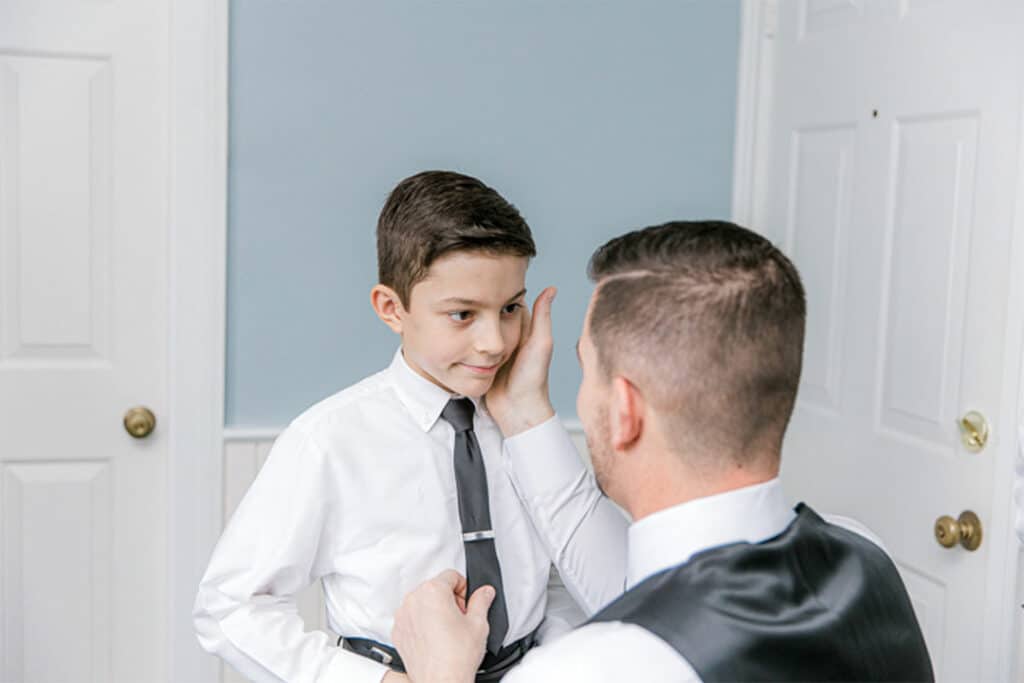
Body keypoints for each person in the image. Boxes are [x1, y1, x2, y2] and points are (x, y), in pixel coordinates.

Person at [391, 220, 935, 682]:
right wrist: (525, 415)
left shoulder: (588, 670)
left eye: (587, 367)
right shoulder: (866, 555)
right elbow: (643, 586)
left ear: (625, 410)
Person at [193, 171, 627, 683]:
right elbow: (231, 605)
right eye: (463, 314)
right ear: (391, 308)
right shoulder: (330, 440)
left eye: (510, 308)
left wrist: (553, 658)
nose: (494, 341)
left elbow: (553, 576)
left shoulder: (525, 433)